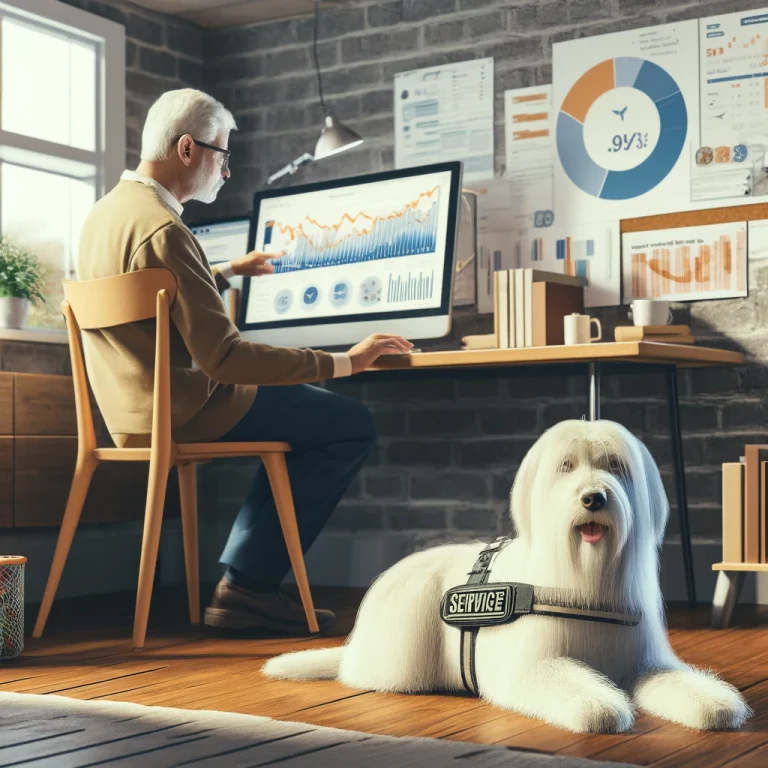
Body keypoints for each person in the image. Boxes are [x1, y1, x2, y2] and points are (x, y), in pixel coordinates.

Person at [76, 88, 412, 635]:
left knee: (313, 416)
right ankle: (248, 588)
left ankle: (246, 582)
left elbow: (151, 296)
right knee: (349, 424)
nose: (227, 172)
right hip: (188, 410)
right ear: (187, 149)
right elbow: (225, 359)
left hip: (129, 417)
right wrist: (346, 362)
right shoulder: (166, 229)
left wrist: (229, 270)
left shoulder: (106, 215)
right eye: (222, 155)